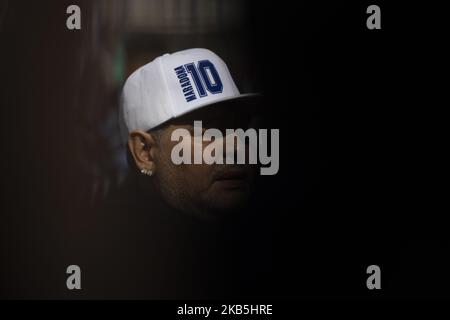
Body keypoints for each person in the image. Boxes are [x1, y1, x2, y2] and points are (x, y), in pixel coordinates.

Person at [83, 48, 271, 299]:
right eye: (208, 131)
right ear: (145, 152)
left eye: (241, 128)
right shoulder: (104, 266)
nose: (236, 146)